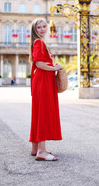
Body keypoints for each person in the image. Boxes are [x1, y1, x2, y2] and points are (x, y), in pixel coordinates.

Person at [29, 18, 62, 161]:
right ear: (34, 30)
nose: (42, 29)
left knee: (38, 112)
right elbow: (39, 63)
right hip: (43, 80)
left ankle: (35, 147)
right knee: (42, 113)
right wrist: (54, 68)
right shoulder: (39, 42)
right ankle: (41, 152)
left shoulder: (40, 42)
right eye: (39, 28)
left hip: (41, 80)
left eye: (44, 27)